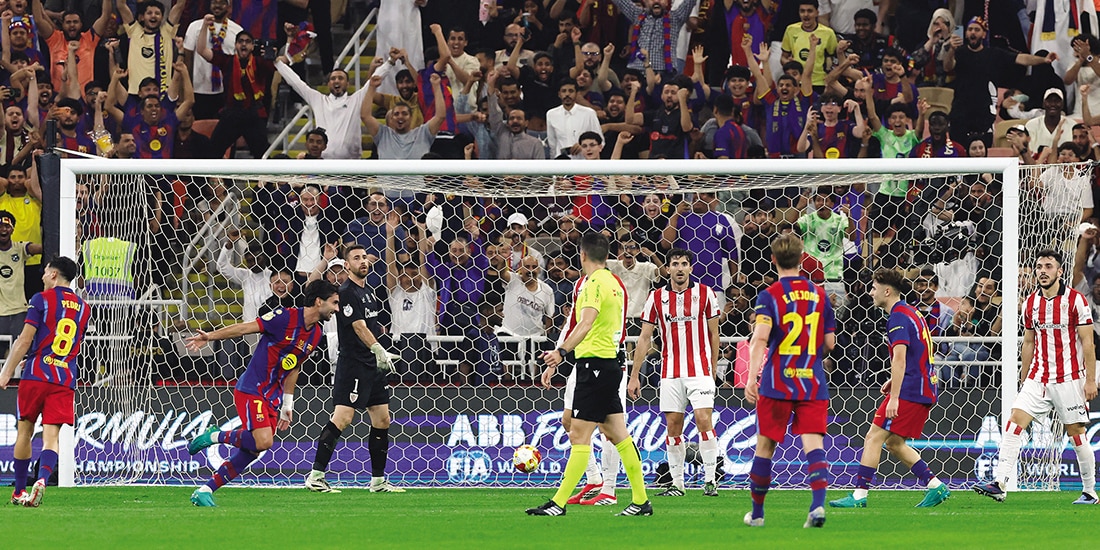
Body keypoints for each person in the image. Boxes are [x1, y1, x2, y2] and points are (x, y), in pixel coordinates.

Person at [528, 232, 651, 516]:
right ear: (607, 255)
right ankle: (641, 501)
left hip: (594, 366)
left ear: (582, 255)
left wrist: (560, 352)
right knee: (618, 434)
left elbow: (584, 324)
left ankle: (557, 503)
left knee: (579, 434)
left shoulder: (594, 283)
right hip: (610, 365)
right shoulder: (615, 283)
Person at [185, 280, 339, 507]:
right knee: (263, 441)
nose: (336, 309)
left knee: (252, 451)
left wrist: (288, 403)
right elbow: (244, 328)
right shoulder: (284, 317)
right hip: (252, 389)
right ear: (318, 301)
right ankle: (215, 435)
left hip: (273, 396)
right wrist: (209, 336)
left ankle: (204, 490)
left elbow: (294, 366)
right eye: (334, 303)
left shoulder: (316, 334)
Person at [974, 250, 1098, 504]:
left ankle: (1089, 491)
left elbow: (1088, 342)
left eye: (1048, 266)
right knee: (1014, 421)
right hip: (1038, 378)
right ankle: (1000, 483)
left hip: (1069, 378)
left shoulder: (1076, 301)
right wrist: (1024, 377)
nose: (1042, 270)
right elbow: (1028, 342)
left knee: (1076, 433)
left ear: (1059, 271)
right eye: (1039, 266)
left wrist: (1090, 380)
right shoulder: (1030, 303)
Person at [829, 268, 950, 509]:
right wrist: (894, 381)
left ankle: (859, 496)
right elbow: (921, 352)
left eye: (874, 288)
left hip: (910, 389)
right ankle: (936, 486)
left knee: (873, 437)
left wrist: (895, 395)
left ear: (886, 290)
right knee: (894, 443)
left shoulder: (897, 317)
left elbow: (900, 358)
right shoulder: (911, 312)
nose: (871, 293)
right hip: (922, 385)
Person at [744, 233, 835, 528]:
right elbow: (830, 343)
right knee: (814, 445)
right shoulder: (820, 295)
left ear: (773, 259)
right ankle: (818, 507)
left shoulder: (769, 296)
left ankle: (757, 514)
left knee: (765, 447)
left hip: (777, 381)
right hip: (812, 380)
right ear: (801, 259)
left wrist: (751, 377)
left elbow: (759, 339)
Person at [305, 245, 403, 494]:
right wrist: (378, 348)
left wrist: (378, 349)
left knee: (382, 419)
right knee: (343, 418)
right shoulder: (346, 292)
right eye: (356, 258)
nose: (363, 262)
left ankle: (378, 482)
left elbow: (370, 324)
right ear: (346, 266)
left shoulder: (369, 292)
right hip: (354, 365)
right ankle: (316, 476)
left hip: (372, 365)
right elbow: (358, 327)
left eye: (364, 257)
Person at [628, 248, 721, 497]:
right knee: (673, 426)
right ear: (667, 269)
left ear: (691, 268)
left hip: (700, 370)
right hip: (670, 372)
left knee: (703, 420)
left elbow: (714, 334)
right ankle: (677, 484)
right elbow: (645, 338)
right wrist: (634, 374)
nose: (679, 268)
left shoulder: (705, 294)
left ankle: (710, 481)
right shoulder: (656, 298)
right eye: (675, 264)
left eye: (684, 264)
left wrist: (713, 368)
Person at [0, 257, 90, 507]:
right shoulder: (84, 307)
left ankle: (19, 491)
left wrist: (6, 371)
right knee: (51, 437)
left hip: (37, 374)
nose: (41, 276)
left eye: (45, 271)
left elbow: (25, 339)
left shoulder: (41, 299)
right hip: (64, 378)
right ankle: (41, 479)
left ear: (53, 275)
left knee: (25, 432)